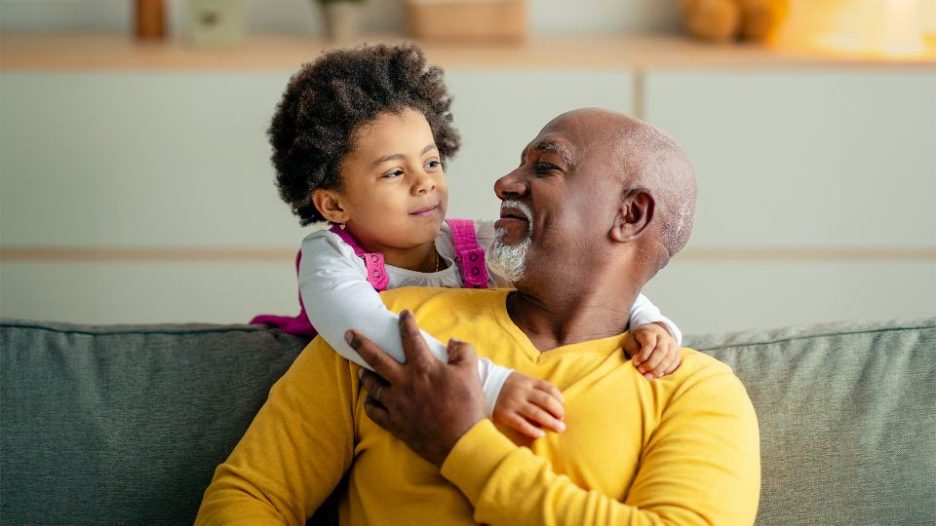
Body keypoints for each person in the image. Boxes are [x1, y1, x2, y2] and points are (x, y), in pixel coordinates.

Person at [195, 108, 761, 525]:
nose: (503, 183)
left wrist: (462, 444)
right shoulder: (391, 329)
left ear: (630, 214)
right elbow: (252, 498)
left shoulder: (695, 391)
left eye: (545, 167)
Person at [250, 43, 684, 439]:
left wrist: (649, 322)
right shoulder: (329, 259)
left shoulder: (470, 243)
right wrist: (489, 384)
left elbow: (576, 277)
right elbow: (365, 330)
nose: (425, 184)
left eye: (432, 162)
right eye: (394, 173)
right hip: (354, 410)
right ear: (333, 204)